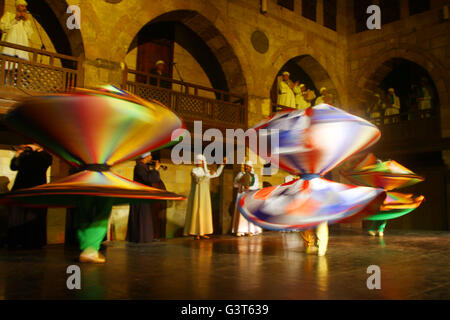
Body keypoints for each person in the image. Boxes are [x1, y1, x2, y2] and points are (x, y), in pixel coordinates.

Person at [7, 143, 52, 249]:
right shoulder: (26, 154)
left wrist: (32, 151)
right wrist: (17, 154)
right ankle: (15, 241)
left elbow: (40, 164)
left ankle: (32, 242)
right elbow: (14, 167)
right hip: (21, 188)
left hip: (36, 189)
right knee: (17, 215)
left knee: (33, 217)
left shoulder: (45, 156)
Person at [184, 154, 226, 240]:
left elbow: (217, 174)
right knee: (196, 211)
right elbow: (198, 180)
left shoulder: (206, 172)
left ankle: (202, 232)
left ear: (204, 162)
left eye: (201, 161)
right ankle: (196, 233)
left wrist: (222, 164)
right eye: (198, 161)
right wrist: (208, 174)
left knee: (203, 212)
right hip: (196, 194)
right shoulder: (194, 170)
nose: (199, 163)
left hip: (205, 196)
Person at [127, 152, 165, 243]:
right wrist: (155, 169)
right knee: (142, 217)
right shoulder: (139, 167)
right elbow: (148, 179)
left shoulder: (143, 166)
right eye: (149, 155)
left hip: (143, 196)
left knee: (145, 217)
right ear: (145, 157)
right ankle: (141, 238)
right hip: (140, 196)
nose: (151, 157)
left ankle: (144, 237)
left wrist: (154, 170)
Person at [232, 161, 262, 237]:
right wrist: (242, 185)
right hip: (242, 194)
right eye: (245, 166)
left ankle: (250, 230)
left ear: (251, 167)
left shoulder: (255, 176)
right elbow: (235, 184)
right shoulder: (240, 174)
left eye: (248, 166)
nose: (246, 167)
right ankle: (240, 230)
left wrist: (250, 187)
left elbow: (256, 185)